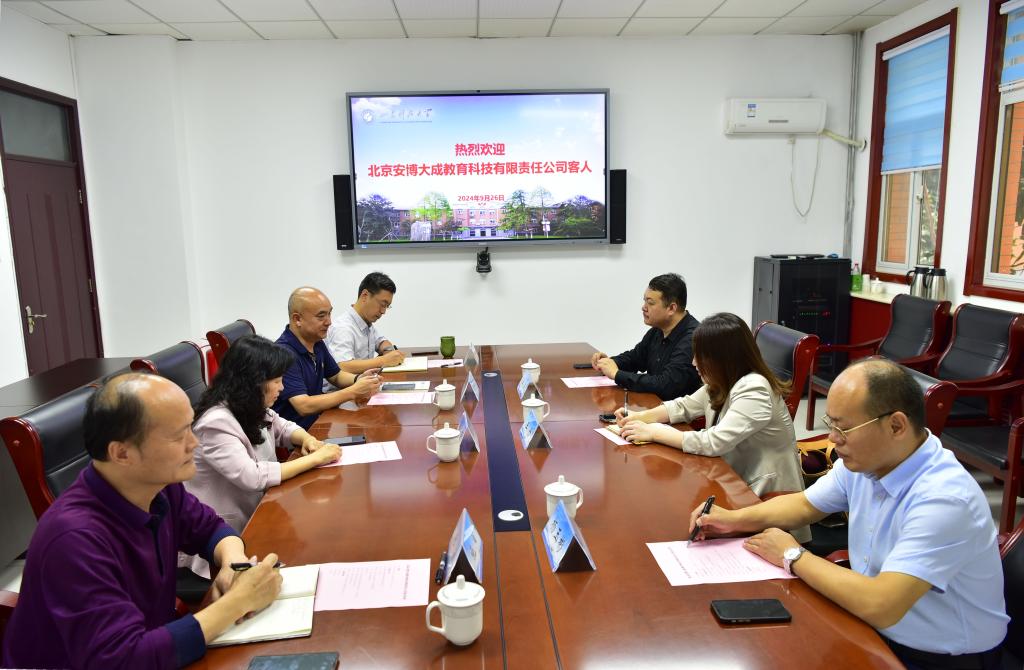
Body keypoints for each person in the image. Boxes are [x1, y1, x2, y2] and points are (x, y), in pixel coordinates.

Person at [689, 359, 1008, 669]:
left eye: (844, 428)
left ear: (896, 425)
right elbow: (804, 505)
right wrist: (729, 519)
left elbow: (881, 605)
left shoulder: (944, 499)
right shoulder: (870, 461)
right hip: (871, 627)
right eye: (831, 424)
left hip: (936, 655)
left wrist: (792, 555)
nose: (832, 439)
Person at [3, 373, 284, 669]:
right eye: (179, 436)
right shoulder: (74, 539)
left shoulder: (158, 486)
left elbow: (210, 529)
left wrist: (234, 565)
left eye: (190, 427)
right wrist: (237, 602)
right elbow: (123, 659)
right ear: (122, 453)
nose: (194, 443)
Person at [183, 335, 341, 575]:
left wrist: (307, 440)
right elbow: (252, 476)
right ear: (253, 382)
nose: (282, 388)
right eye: (276, 381)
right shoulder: (216, 422)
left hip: (263, 512)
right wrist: (315, 459)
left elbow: (283, 427)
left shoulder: (249, 405)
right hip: (227, 541)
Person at [618, 313, 805, 506]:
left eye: (700, 356)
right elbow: (684, 406)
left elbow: (714, 442)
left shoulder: (754, 389)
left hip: (766, 496)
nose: (693, 363)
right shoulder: (725, 379)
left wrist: (654, 433)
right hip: (732, 479)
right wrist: (640, 417)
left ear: (723, 358)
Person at [273, 286, 382, 430]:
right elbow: (303, 405)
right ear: (297, 319)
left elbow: (336, 375)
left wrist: (358, 379)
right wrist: (353, 391)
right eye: (321, 316)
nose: (329, 321)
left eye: (329, 314)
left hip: (319, 421)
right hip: (295, 434)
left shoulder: (316, 342)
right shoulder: (283, 353)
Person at [590, 273, 701, 400]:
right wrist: (609, 362)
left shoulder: (693, 338)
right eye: (644, 301)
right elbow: (635, 357)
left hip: (677, 411)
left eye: (650, 303)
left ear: (671, 308)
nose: (643, 307)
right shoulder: (658, 330)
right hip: (655, 406)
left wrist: (617, 374)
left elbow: (666, 385)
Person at [323, 272, 404, 384]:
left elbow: (381, 341)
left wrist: (388, 351)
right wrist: (384, 360)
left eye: (387, 306)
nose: (383, 311)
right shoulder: (343, 328)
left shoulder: (366, 322)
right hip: (342, 391)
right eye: (382, 304)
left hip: (364, 386)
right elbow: (342, 366)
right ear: (365, 295)